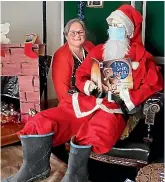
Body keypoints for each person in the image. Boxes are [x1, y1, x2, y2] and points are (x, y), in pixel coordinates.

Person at [4, 5, 164, 182]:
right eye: (111, 25)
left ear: (128, 30)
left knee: (97, 130)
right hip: (87, 101)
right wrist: (86, 84)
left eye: (118, 26)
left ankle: (76, 176)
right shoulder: (98, 51)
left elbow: (154, 84)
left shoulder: (141, 57)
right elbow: (82, 74)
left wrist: (130, 97)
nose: (113, 30)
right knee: (45, 119)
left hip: (115, 106)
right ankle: (34, 169)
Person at [3, 18, 95, 182]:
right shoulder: (62, 55)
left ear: (85, 34)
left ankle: (74, 173)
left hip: (94, 99)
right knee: (40, 121)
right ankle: (36, 167)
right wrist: (81, 106)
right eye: (72, 32)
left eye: (80, 32)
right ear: (66, 35)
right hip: (73, 103)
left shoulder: (90, 48)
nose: (77, 35)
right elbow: (62, 93)